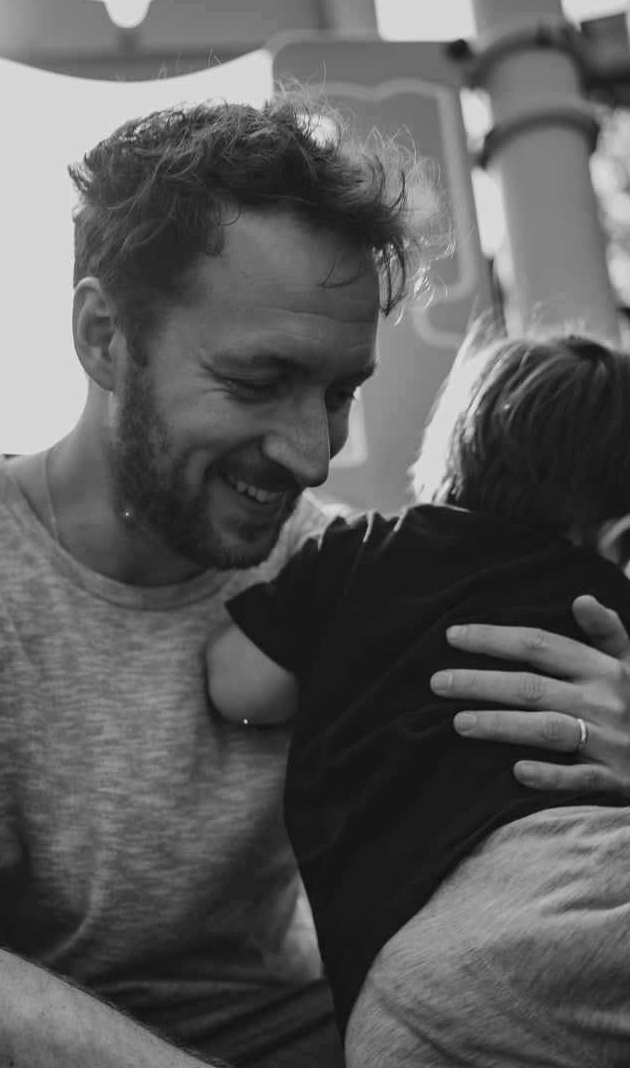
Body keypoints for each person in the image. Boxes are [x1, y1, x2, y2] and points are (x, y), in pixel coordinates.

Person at [0, 90, 629, 1068]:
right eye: (257, 383)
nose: (312, 455)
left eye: (341, 392)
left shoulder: (355, 581)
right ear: (103, 337)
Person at [207, 329, 630, 1066]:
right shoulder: (605, 605)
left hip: (401, 988)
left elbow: (237, 684)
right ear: (619, 536)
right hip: (582, 886)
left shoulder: (359, 552)